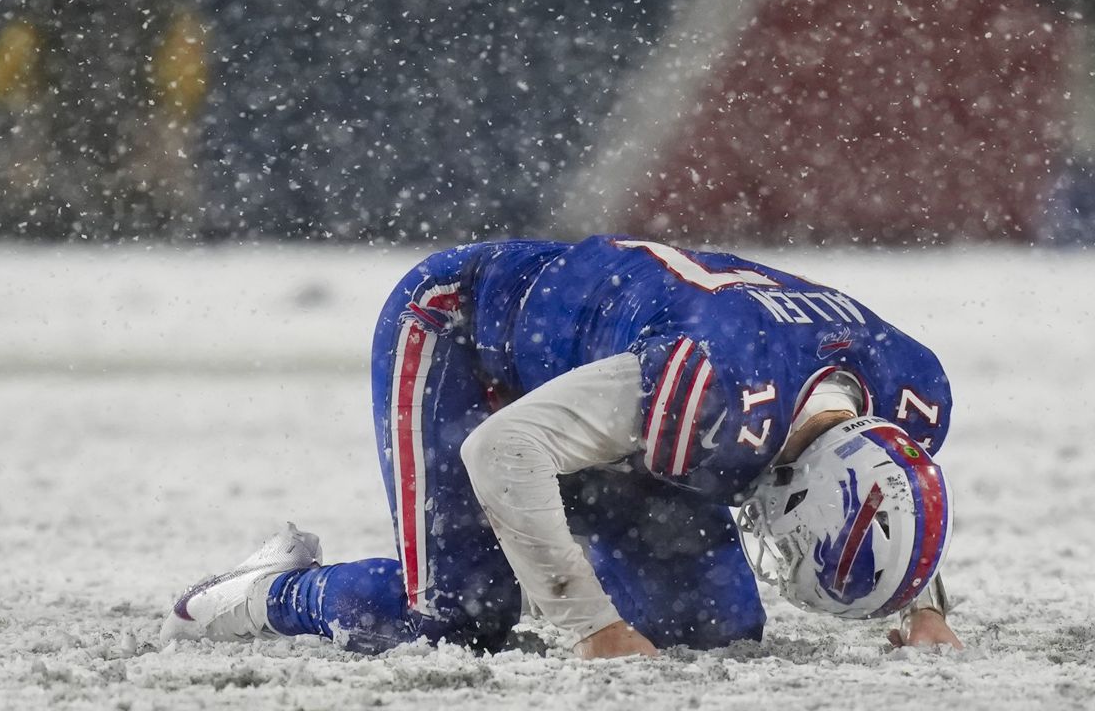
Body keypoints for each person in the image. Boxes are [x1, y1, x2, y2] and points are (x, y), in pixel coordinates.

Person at [160, 236, 962, 658]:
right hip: (474, 337)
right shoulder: (712, 388)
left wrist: (922, 604)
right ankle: (262, 592)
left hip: (635, 374)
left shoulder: (907, 392)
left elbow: (893, 474)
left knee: (707, 628)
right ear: (806, 493)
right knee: (453, 619)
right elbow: (502, 450)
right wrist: (592, 627)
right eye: (801, 541)